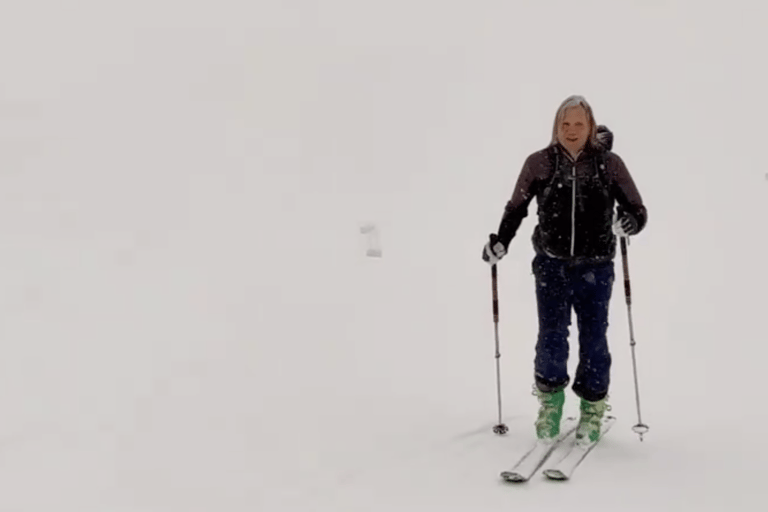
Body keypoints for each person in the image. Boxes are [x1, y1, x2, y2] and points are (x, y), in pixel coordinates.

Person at [482, 95, 647, 445]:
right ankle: (550, 405)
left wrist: (630, 222)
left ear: (590, 127)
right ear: (556, 126)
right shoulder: (539, 163)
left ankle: (592, 409)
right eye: (565, 124)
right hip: (551, 267)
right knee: (552, 338)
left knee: (594, 340)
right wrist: (501, 241)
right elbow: (516, 208)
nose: (571, 131)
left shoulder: (609, 165)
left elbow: (637, 209)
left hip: (597, 268)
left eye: (579, 124)